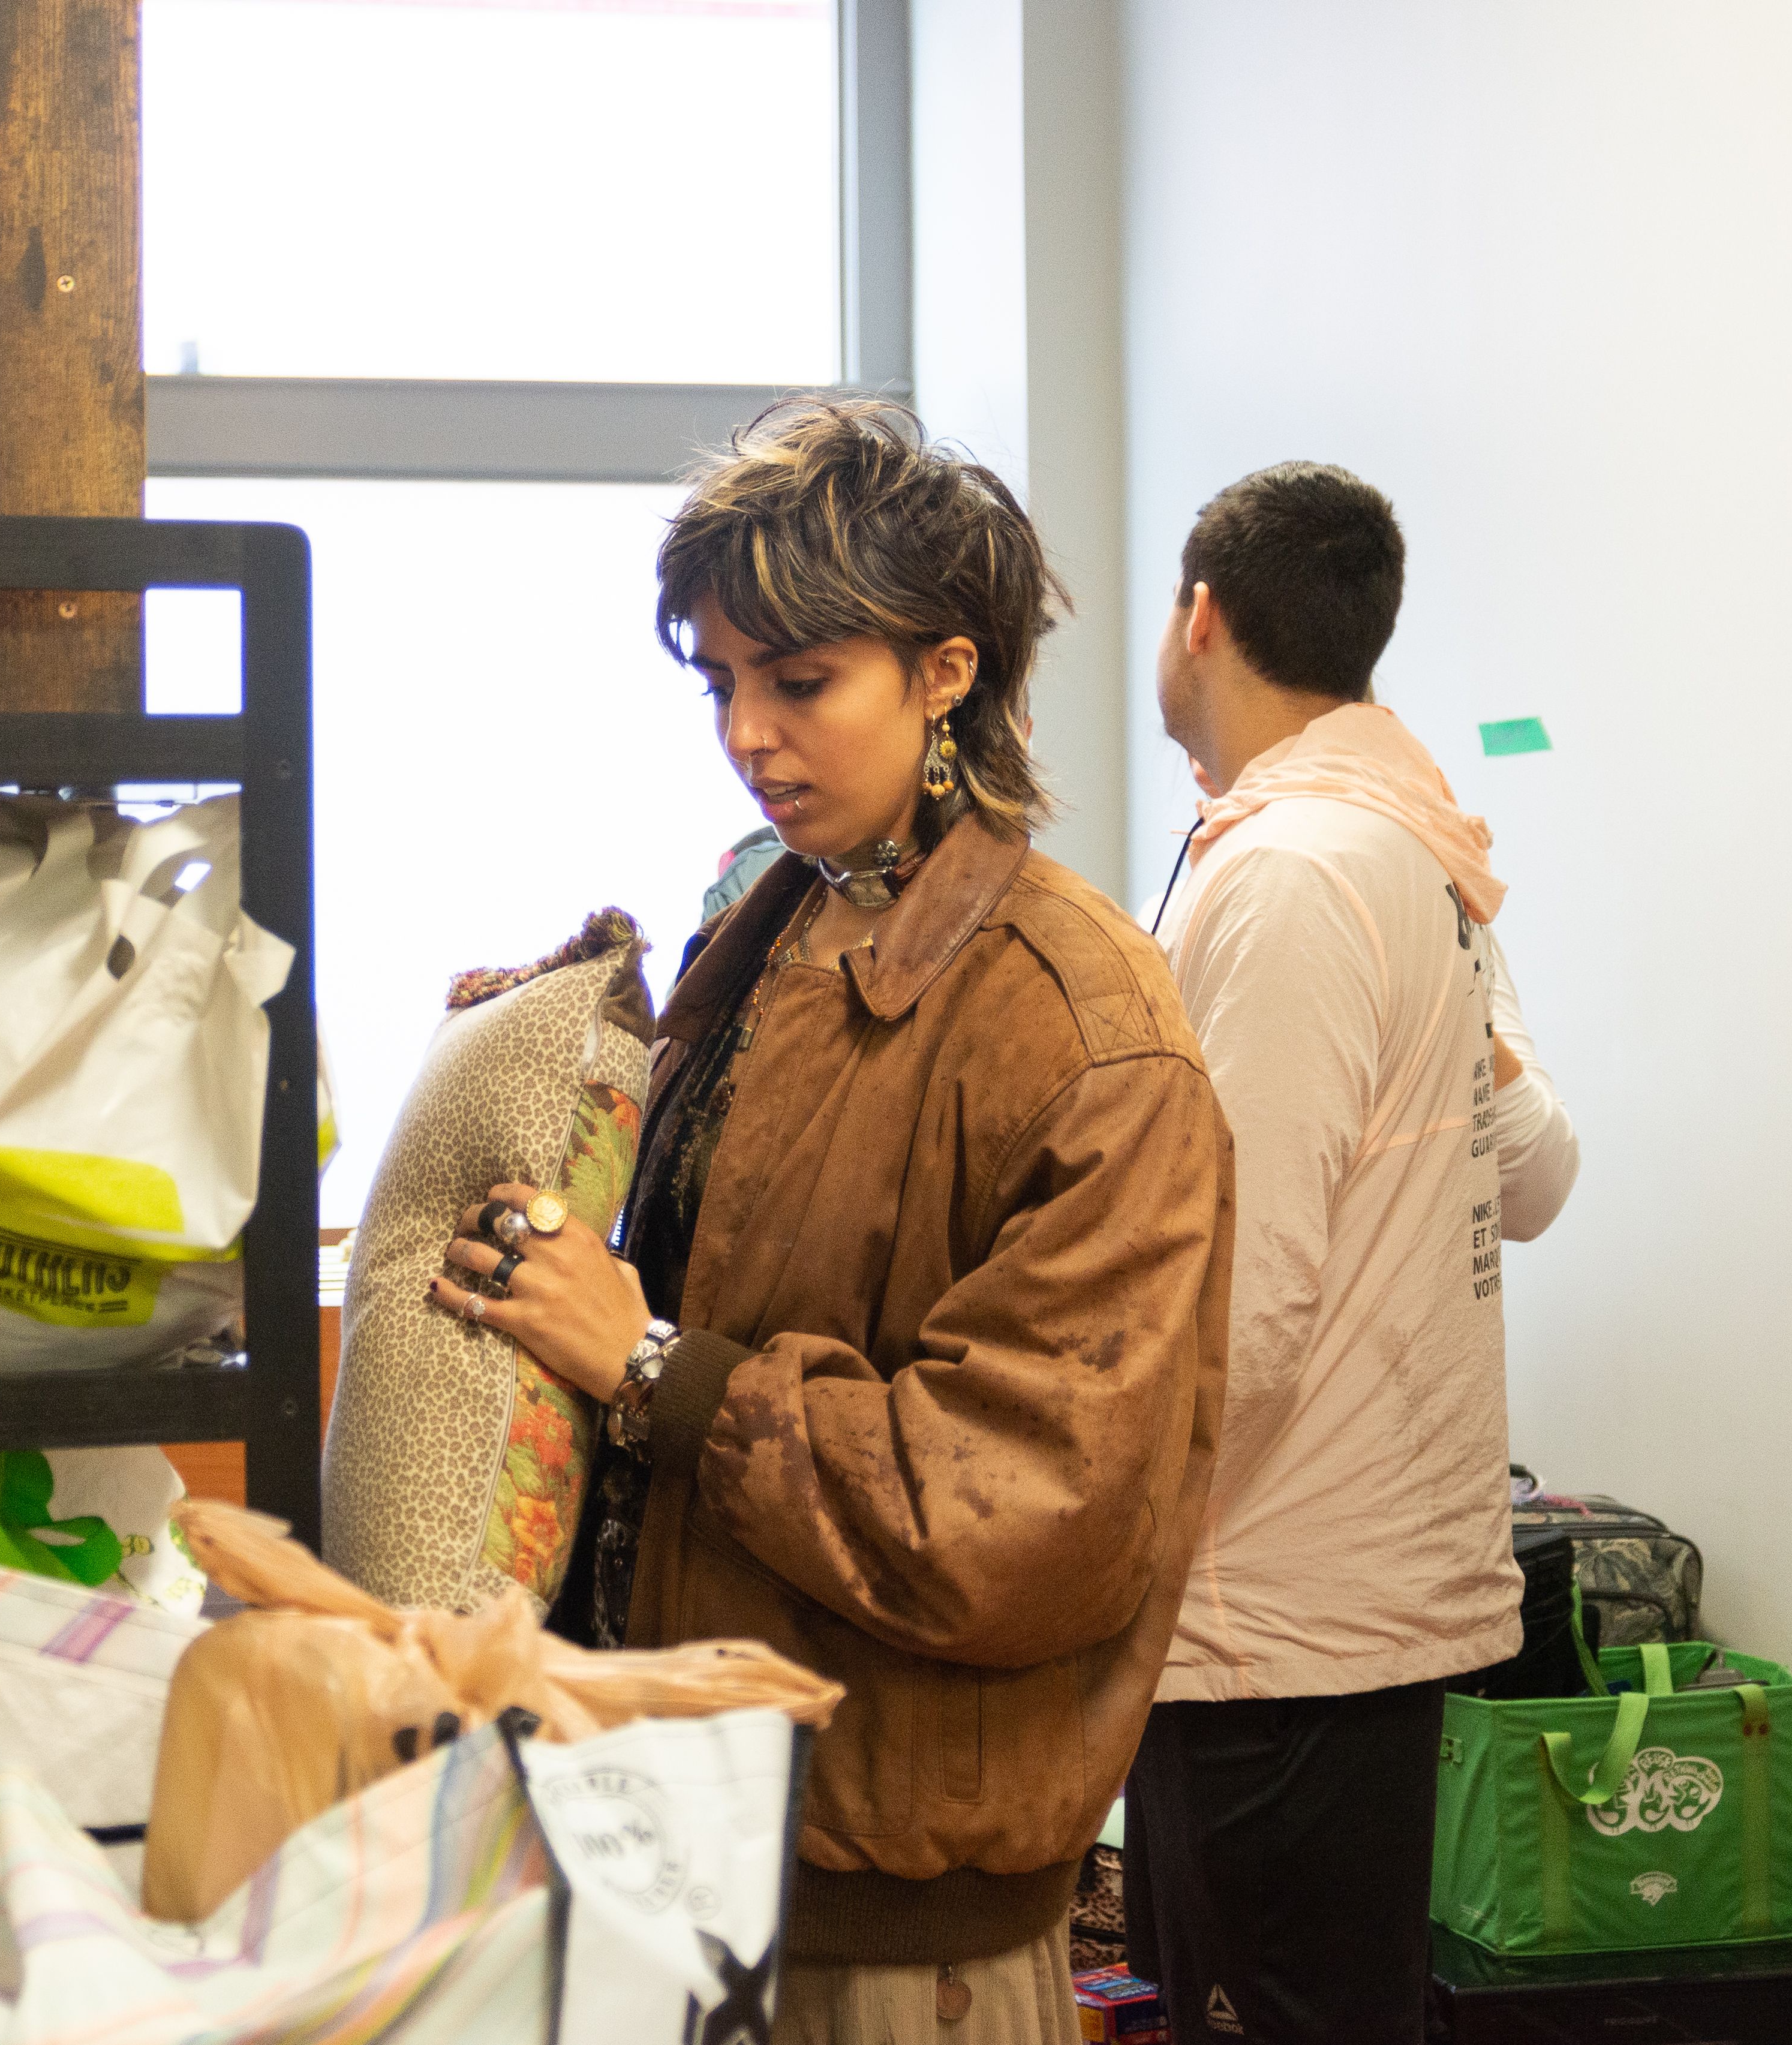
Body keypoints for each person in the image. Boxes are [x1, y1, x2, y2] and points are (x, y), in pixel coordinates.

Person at [428, 398, 1236, 2045]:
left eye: (798, 682)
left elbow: (1028, 1508)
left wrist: (652, 1362)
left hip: (886, 1912)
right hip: (678, 1813)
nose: (748, 732)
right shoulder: (776, 922)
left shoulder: (1079, 1025)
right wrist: (564, 1090)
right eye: (719, 681)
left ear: (945, 672)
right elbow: (728, 1231)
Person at [1126, 462, 1581, 2045]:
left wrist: (1101, 1535)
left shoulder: (1294, 870)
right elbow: (1534, 1167)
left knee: (1277, 2013)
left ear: (1197, 618)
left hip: (1271, 1602)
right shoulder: (1406, 849)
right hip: (1363, 1587)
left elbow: (1232, 1300)